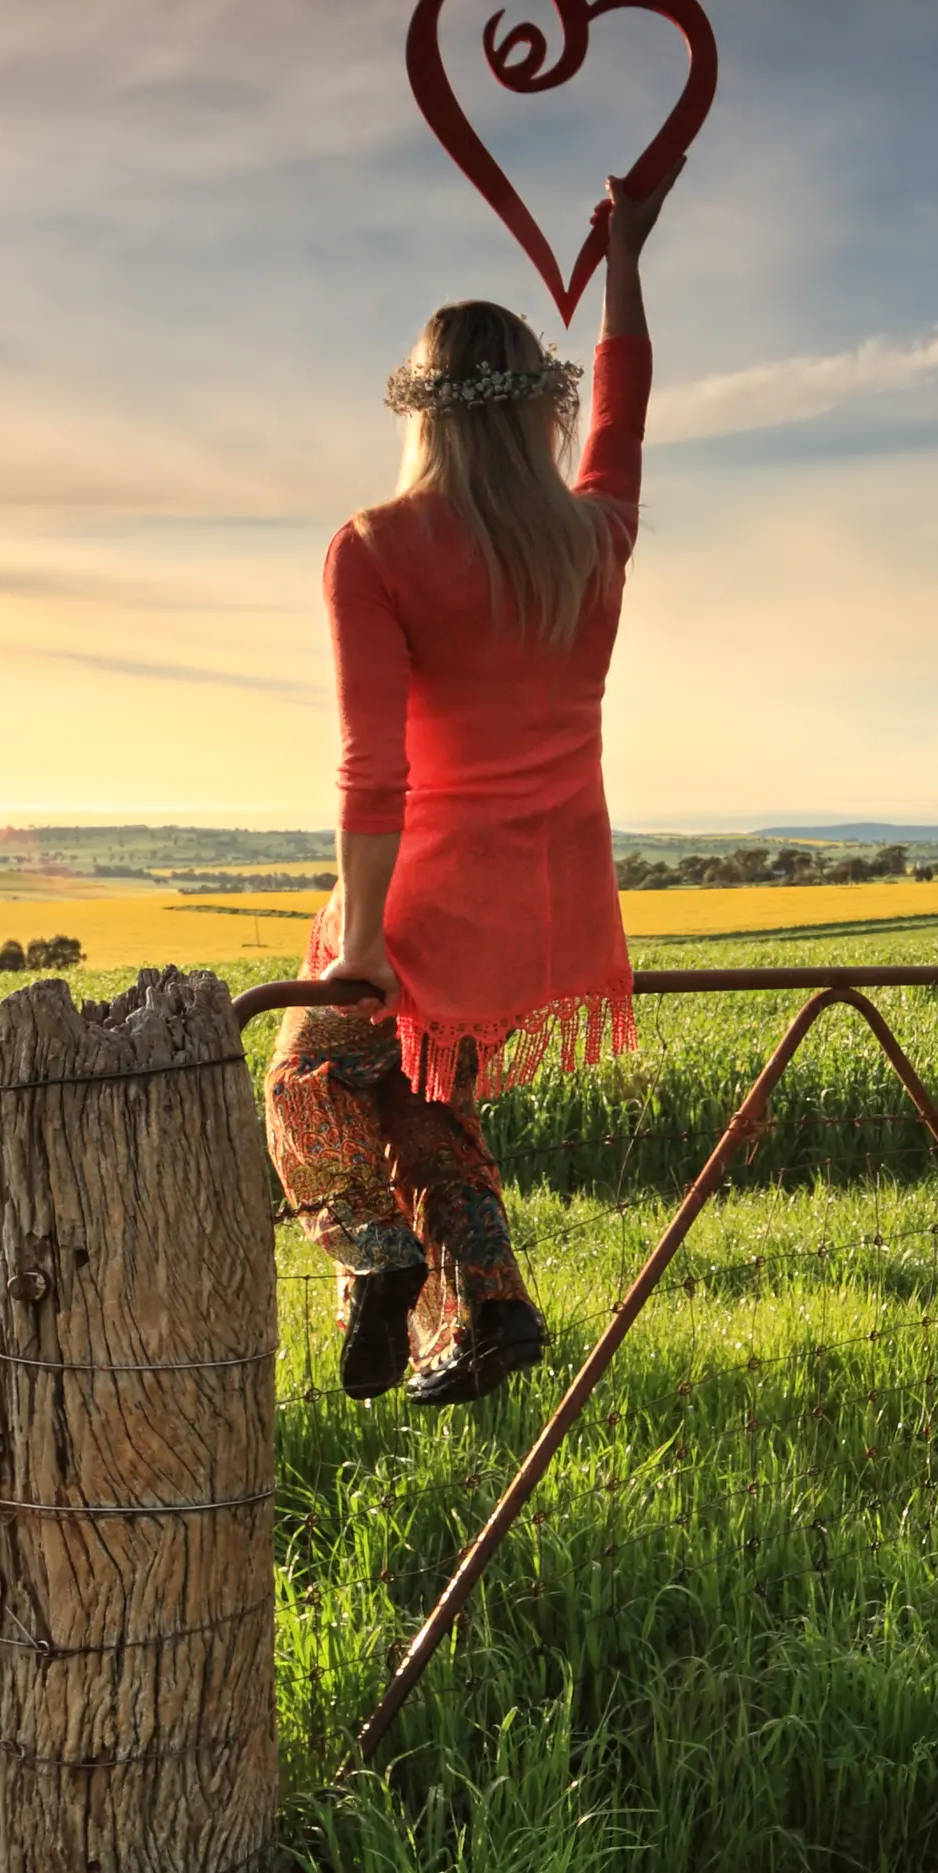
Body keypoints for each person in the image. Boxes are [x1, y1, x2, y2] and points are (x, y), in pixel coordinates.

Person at [265, 169, 667, 1405]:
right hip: (551, 904)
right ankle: (489, 1307)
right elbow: (628, 418)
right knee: (425, 1093)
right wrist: (628, 266)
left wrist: (366, 938)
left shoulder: (377, 546)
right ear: (540, 411)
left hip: (427, 894)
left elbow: (373, 769)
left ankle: (376, 1257)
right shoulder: (591, 538)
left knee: (305, 1078)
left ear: (423, 414)